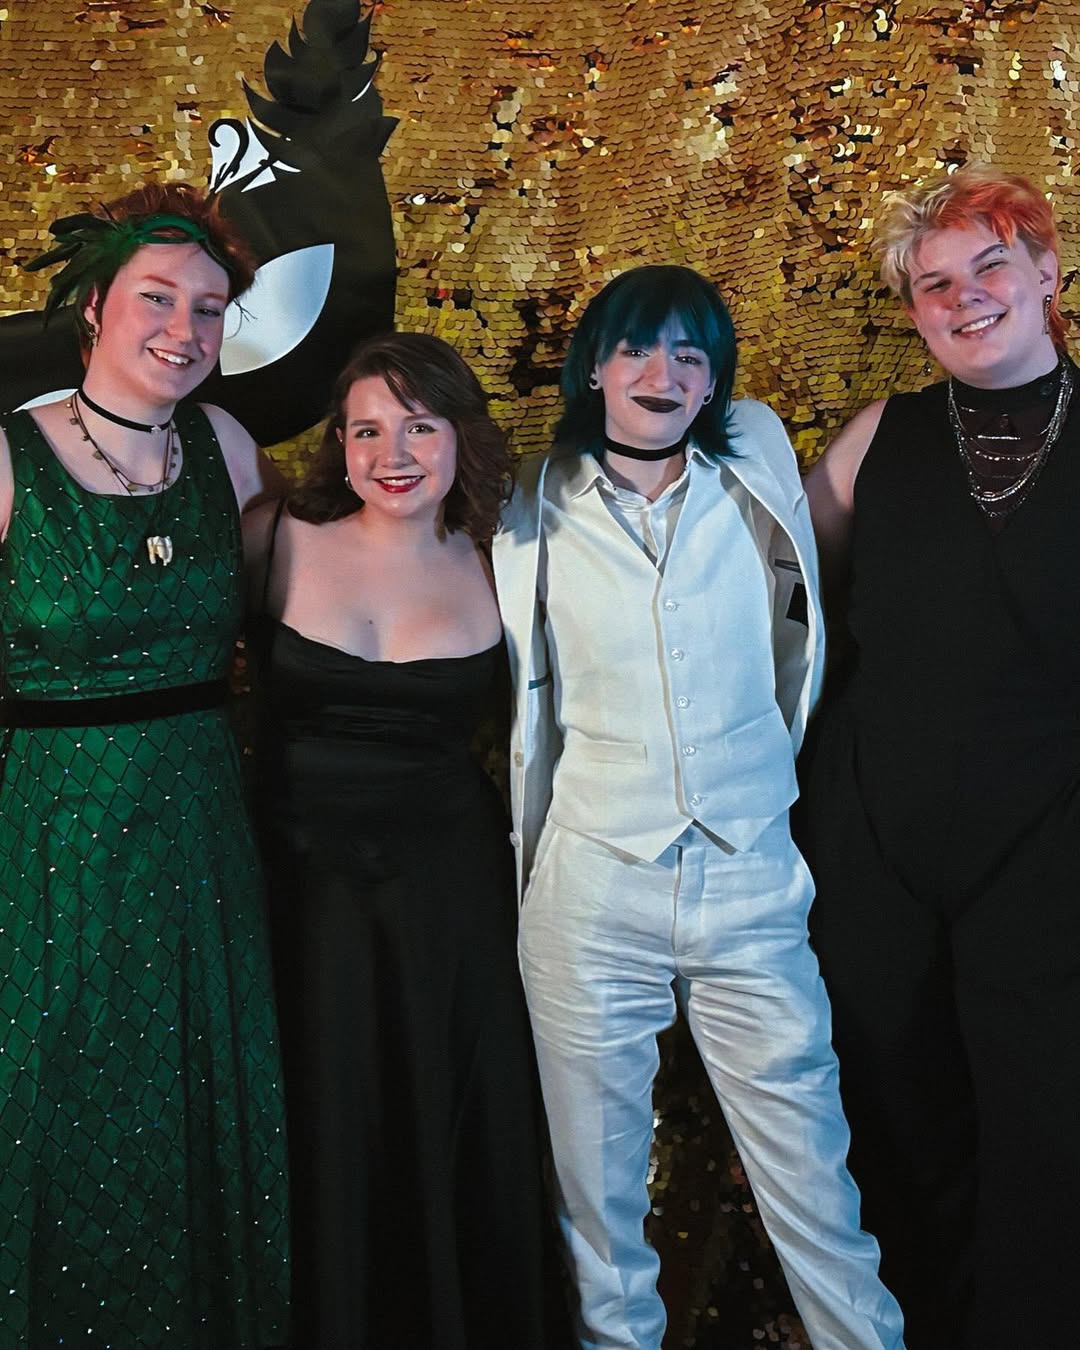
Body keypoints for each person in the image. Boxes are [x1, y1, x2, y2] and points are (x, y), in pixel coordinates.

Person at [492, 263, 905, 1350]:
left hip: (751, 880)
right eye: (637, 347)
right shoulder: (530, 502)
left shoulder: (756, 457)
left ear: (719, 379)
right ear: (592, 367)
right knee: (599, 1211)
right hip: (590, 886)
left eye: (692, 353)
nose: (664, 372)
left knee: (818, 1190)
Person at [0, 184, 288, 1345]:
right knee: (63, 1099)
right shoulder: (13, 454)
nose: (186, 329)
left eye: (210, 309)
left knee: (195, 1088)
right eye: (158, 300)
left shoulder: (226, 446)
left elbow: (291, 620)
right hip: (54, 832)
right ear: (94, 308)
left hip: (203, 823)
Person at [801, 163, 1080, 1350]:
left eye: (990, 268)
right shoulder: (876, 439)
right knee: (893, 1124)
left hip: (1050, 848)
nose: (965, 299)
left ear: (1048, 273)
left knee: (1046, 1133)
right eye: (934, 285)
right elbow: (783, 597)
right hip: (875, 845)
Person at [244, 331, 565, 1350]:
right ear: (336, 444)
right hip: (299, 885)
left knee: (446, 1112)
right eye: (366, 428)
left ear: (459, 436)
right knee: (326, 1119)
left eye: (418, 426)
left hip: (445, 890)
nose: (392, 452)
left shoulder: (505, 560)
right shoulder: (275, 533)